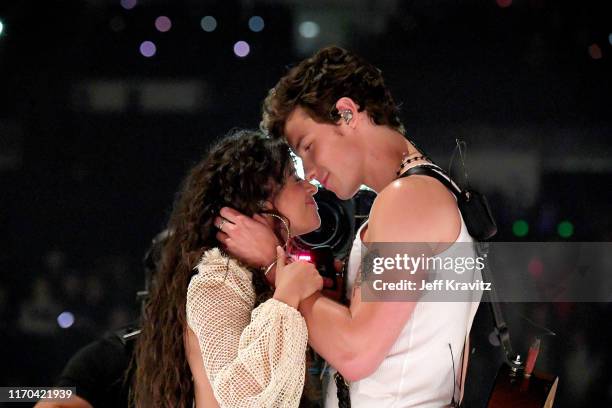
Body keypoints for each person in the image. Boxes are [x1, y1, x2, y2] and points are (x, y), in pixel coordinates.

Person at [215, 46, 482, 407]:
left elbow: (357, 353)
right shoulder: (422, 193)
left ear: (347, 113)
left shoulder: (409, 200)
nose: (308, 172)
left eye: (308, 147)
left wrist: (277, 270)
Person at [131, 130, 324, 407]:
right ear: (261, 199)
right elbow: (239, 397)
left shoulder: (253, 274)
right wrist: (285, 296)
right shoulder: (219, 277)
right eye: (295, 178)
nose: (311, 187)